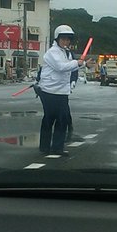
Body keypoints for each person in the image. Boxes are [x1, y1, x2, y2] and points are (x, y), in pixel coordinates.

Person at [37, 24, 84, 157]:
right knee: (50, 118)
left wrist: (83, 64)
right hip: (49, 91)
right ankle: (46, 147)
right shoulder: (52, 52)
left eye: (68, 39)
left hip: (62, 91)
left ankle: (56, 147)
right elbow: (60, 67)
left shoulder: (66, 52)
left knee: (61, 119)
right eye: (63, 39)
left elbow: (70, 68)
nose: (66, 41)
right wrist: (77, 63)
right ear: (57, 39)